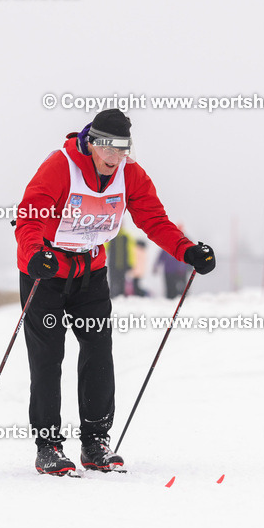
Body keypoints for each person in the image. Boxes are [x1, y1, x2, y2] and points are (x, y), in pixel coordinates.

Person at [14, 109, 216, 476]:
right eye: (107, 147)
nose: (114, 156)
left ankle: (95, 442)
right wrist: (35, 254)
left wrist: (187, 251)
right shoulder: (60, 166)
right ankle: (48, 446)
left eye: (122, 148)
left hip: (90, 271)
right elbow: (30, 217)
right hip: (47, 271)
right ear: (91, 143)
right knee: (47, 357)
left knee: (98, 351)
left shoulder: (130, 174)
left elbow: (153, 219)